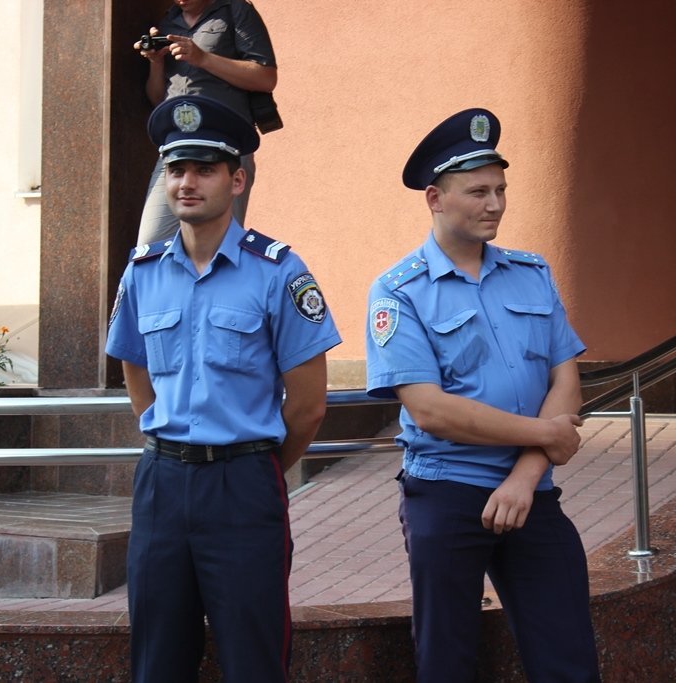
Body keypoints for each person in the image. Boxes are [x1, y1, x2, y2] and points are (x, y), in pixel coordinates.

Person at [106, 94, 341, 682]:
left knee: (253, 658)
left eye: (205, 169)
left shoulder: (279, 272)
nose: (187, 183)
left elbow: (309, 406)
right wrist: (169, 436)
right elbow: (134, 367)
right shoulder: (142, 272)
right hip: (162, 484)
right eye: (176, 170)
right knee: (157, 658)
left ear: (237, 181)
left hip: (243, 485)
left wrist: (256, 465)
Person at [365, 108, 601, 682]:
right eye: (477, 192)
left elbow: (564, 379)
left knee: (569, 658)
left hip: (532, 493)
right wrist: (544, 434)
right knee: (447, 663)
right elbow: (430, 410)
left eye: (500, 190)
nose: (494, 204)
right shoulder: (398, 291)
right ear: (435, 199)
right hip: (446, 494)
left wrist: (525, 476)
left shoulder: (531, 273)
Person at [133, 0, 277, 245]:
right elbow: (157, 99)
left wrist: (203, 58)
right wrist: (156, 62)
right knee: (150, 245)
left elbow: (265, 77)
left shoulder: (235, 10)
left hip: (225, 145)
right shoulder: (168, 21)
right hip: (176, 146)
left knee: (221, 244)